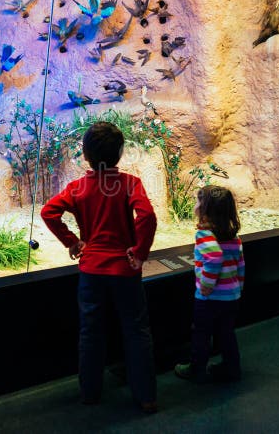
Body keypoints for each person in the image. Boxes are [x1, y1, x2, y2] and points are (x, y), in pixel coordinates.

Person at [40, 121, 159, 413]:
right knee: (136, 331)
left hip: (91, 271)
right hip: (125, 270)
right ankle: (146, 397)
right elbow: (147, 216)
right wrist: (140, 252)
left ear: (86, 154)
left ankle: (90, 393)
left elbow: (48, 211)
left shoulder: (78, 187)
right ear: (120, 152)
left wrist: (72, 241)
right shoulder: (130, 183)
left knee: (90, 333)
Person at [174, 185, 245, 383]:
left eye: (198, 201)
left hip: (210, 298)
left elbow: (214, 258)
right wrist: (238, 286)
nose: (195, 205)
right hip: (231, 296)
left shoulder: (205, 235)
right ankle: (232, 368)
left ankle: (197, 368)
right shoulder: (233, 236)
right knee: (226, 333)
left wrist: (206, 285)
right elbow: (240, 264)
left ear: (206, 210)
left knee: (201, 333)